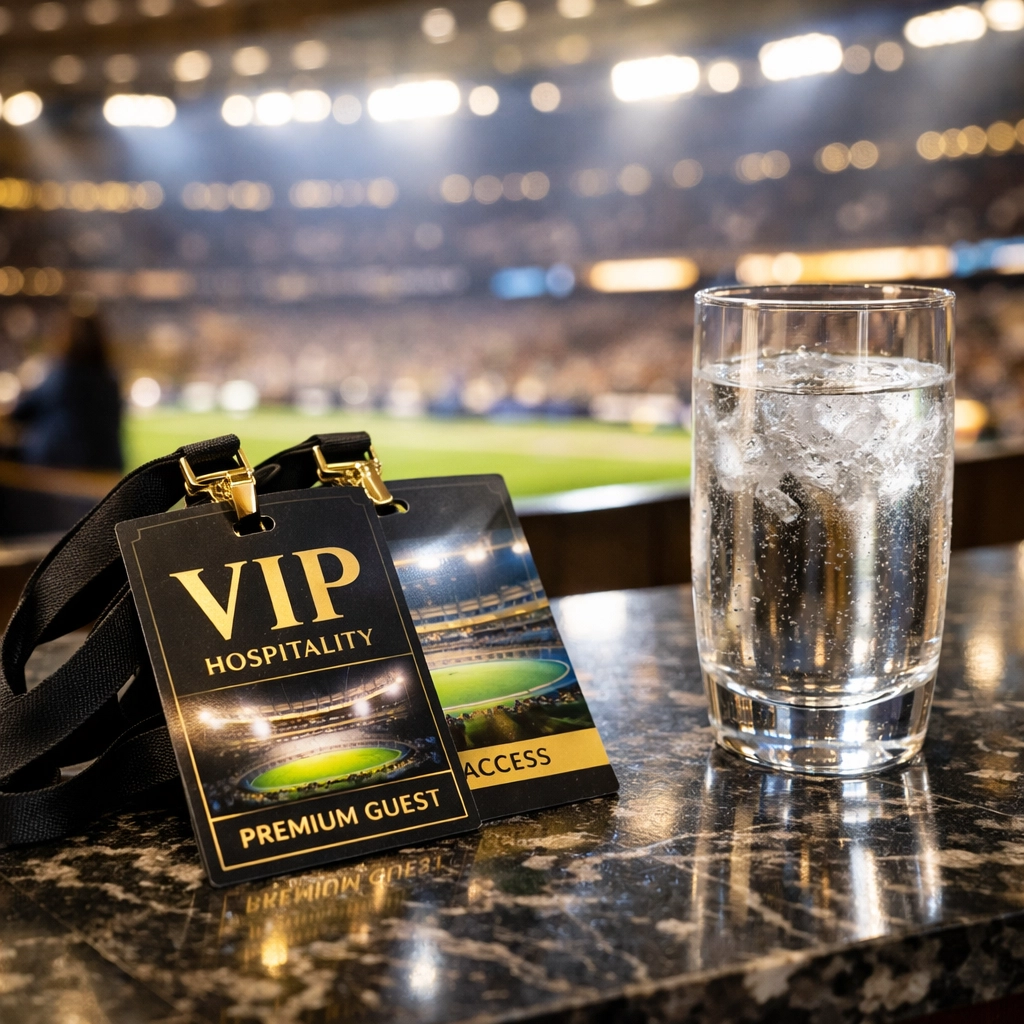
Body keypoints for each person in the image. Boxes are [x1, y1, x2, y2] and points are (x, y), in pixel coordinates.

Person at [12, 311, 123, 472]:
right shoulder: (109, 379)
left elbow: (22, 412)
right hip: (106, 465)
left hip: (60, 467)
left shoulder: (62, 376)